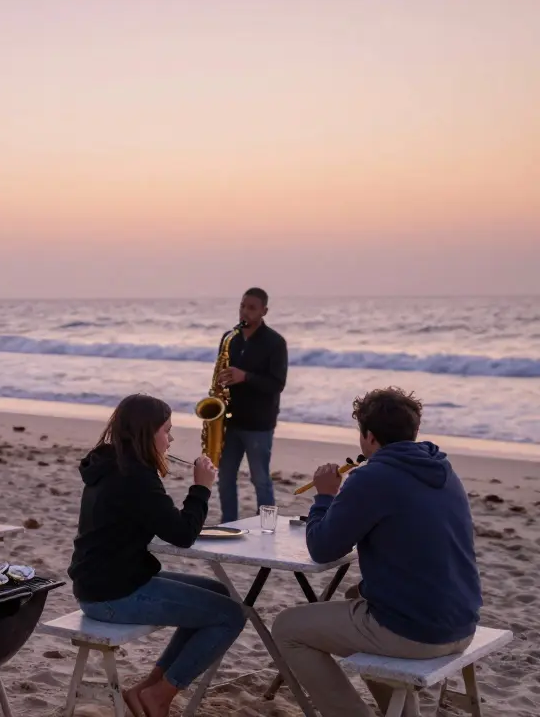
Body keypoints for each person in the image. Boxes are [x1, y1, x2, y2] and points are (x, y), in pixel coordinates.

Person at [272, 388, 481, 717]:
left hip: (417, 633)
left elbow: (323, 549)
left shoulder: (372, 477)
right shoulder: (443, 469)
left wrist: (325, 497)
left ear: (368, 436)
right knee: (356, 594)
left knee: (287, 628)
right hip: (462, 623)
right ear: (413, 431)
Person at [67, 393, 244, 717]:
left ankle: (149, 687)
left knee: (218, 592)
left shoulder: (111, 463)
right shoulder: (134, 477)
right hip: (112, 595)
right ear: (146, 434)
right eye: (167, 430)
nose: (171, 439)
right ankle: (160, 696)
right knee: (232, 615)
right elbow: (181, 535)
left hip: (101, 582)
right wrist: (201, 488)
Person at [215, 287, 288, 522]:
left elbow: (277, 384)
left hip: (258, 423)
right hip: (229, 420)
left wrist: (244, 376)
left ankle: (267, 528)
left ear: (264, 311)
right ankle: (229, 525)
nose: (245, 312)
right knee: (225, 478)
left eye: (252, 308)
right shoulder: (229, 338)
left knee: (261, 480)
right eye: (242, 306)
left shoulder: (275, 342)